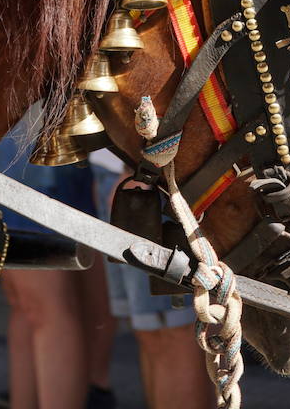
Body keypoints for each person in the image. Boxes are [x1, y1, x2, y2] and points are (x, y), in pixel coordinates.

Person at [0, 114, 116, 409]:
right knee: (28, 305)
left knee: (46, 307)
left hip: (34, 132)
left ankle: (91, 388)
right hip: (19, 131)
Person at [88, 149, 215, 409]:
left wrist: (138, 171)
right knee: (153, 335)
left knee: (173, 335)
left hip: (153, 180)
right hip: (122, 171)